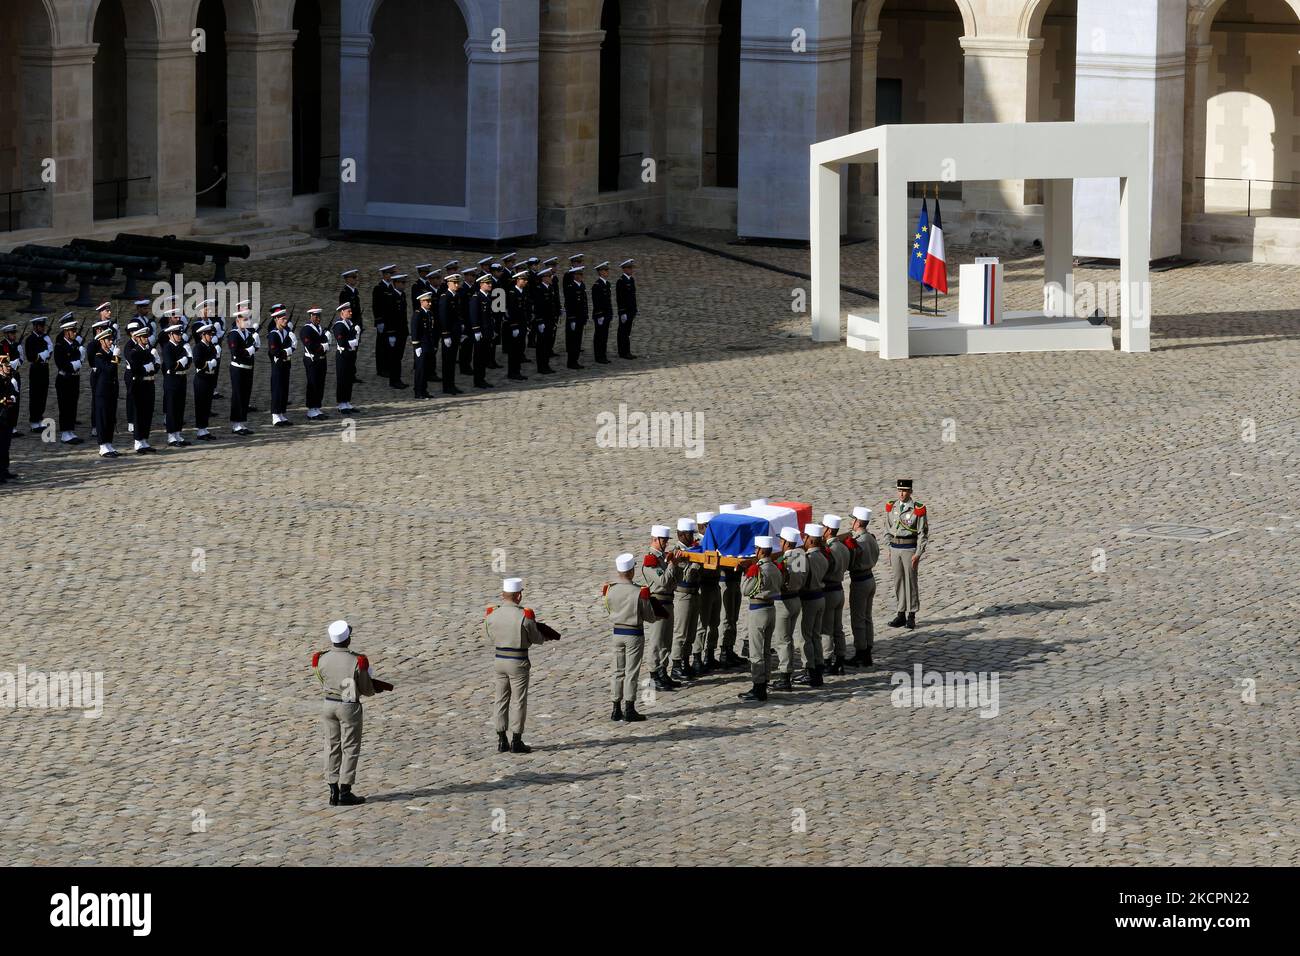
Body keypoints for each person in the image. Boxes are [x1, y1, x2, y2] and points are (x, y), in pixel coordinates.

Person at [312, 620, 393, 806]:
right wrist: (374, 688)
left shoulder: (321, 658)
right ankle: (345, 791)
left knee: (331, 746)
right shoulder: (357, 660)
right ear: (347, 639)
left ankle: (332, 789)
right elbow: (366, 688)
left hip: (328, 704)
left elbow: (321, 678)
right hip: (348, 704)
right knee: (350, 747)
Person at [485, 578, 559, 754]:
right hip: (518, 661)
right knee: (518, 701)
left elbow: (489, 635)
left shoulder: (491, 614)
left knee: (500, 699)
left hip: (499, 659)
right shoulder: (524, 615)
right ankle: (516, 741)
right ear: (518, 595)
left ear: (503, 595)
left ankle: (502, 740)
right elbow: (535, 638)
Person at [603, 552, 663, 722]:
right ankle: (629, 708)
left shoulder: (610, 589)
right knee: (631, 672)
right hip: (634, 633)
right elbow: (649, 616)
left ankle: (615, 708)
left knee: (617, 670)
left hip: (617, 632)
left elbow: (609, 608)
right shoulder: (639, 591)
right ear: (630, 572)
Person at [637, 525, 683, 691]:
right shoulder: (651, 561)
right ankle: (654, 673)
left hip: (668, 601)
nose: (665, 543)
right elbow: (663, 582)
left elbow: (675, 581)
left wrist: (676, 565)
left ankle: (663, 671)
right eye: (663, 540)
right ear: (655, 539)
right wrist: (671, 565)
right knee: (657, 640)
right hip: (657, 602)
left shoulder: (664, 558)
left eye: (666, 540)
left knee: (667, 640)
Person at [738, 536, 783, 702]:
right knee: (766, 649)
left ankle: (758, 686)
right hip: (771, 608)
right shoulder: (775, 567)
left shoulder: (758, 569)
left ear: (761, 550)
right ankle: (765, 681)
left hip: (758, 610)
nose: (755, 551)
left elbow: (745, 590)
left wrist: (745, 573)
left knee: (756, 651)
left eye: (756, 548)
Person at [884, 479, 929, 630]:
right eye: (899, 490)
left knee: (910, 581)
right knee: (898, 581)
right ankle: (901, 613)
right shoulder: (892, 507)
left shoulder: (917, 509)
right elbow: (887, 529)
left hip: (909, 548)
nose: (901, 494)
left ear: (910, 492)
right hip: (895, 547)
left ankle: (911, 615)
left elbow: (923, 533)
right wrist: (889, 548)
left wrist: (918, 553)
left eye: (904, 491)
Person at [771, 526, 806, 692]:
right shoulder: (802, 556)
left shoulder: (782, 562)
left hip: (783, 602)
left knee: (783, 640)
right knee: (789, 638)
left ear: (785, 542)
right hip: (796, 599)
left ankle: (785, 676)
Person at [845, 506, 879, 666]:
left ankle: (861, 652)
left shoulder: (859, 541)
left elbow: (851, 563)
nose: (852, 522)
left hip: (859, 581)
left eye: (853, 519)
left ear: (858, 522)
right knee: (867, 617)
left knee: (858, 618)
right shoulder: (871, 538)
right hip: (870, 578)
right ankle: (868, 649)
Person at [669, 517, 702, 681]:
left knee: (691, 632)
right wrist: (697, 562)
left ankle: (686, 661)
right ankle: (676, 664)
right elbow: (688, 575)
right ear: (681, 535)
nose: (691, 537)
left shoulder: (692, 550)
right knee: (681, 632)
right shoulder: (677, 552)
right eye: (689, 534)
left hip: (695, 593)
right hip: (683, 593)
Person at [796, 523, 828, 686]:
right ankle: (818, 665)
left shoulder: (804, 558)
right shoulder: (823, 556)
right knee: (816, 635)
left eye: (805, 537)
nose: (803, 540)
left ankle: (809, 669)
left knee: (805, 637)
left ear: (810, 540)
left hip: (808, 599)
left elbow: (798, 580)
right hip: (820, 597)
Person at [820, 515, 851, 674]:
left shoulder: (828, 550)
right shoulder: (844, 547)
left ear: (829, 530)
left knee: (826, 629)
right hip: (839, 589)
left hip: (829, 591)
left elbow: (824, 570)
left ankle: (827, 661)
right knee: (838, 627)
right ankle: (840, 660)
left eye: (823, 527)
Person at [124, 324, 159, 454]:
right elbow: (135, 368)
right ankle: (138, 441)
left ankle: (145, 439)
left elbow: (155, 367)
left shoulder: (147, 350)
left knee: (148, 413)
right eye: (144, 336)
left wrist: (154, 365)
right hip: (140, 385)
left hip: (150, 384)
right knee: (139, 414)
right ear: (138, 338)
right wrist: (147, 368)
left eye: (147, 336)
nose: (146, 338)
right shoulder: (135, 351)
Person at [159, 320, 192, 446]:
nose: (179, 336)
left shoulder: (181, 346)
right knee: (172, 408)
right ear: (170, 335)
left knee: (180, 407)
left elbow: (189, 362)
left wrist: (185, 360)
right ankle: (171, 436)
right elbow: (170, 366)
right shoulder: (168, 347)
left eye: (180, 333)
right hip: (171, 381)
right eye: (176, 334)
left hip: (182, 379)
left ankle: (178, 433)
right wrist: (183, 361)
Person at [52, 318, 84, 445]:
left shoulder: (75, 343)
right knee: (64, 406)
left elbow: (78, 362)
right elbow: (61, 364)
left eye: (75, 330)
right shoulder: (60, 346)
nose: (75, 332)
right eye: (72, 330)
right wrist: (76, 363)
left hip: (74, 378)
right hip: (64, 379)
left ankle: (70, 430)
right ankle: (65, 433)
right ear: (66, 332)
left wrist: (78, 361)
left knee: (73, 405)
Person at [226, 310, 258, 435]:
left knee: (245, 395)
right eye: (244, 320)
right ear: (237, 321)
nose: (247, 322)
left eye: (248, 319)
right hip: (238, 368)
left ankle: (242, 422)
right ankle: (236, 424)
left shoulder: (247, 333)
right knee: (238, 395)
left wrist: (254, 346)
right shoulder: (233, 334)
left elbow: (254, 347)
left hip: (248, 368)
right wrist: (249, 350)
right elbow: (235, 352)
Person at [90, 327, 120, 458]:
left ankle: (109, 443)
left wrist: (114, 357)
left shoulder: (108, 354)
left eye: (111, 338)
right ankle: (102, 446)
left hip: (111, 390)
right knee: (102, 418)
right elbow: (110, 370)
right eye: (108, 339)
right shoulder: (99, 356)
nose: (111, 341)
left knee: (110, 418)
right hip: (102, 392)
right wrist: (115, 357)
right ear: (101, 341)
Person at [23, 316, 53, 434]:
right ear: (35, 327)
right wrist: (43, 355)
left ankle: (40, 417)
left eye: (43, 326)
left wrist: (46, 353)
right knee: (35, 394)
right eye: (40, 326)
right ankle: (34, 421)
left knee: (43, 394)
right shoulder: (30, 339)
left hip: (44, 368)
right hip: (36, 369)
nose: (43, 328)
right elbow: (31, 357)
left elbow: (50, 352)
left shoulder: (45, 338)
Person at [435, 273, 464, 395]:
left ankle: (451, 384)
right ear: (448, 284)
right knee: (448, 361)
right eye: (454, 283)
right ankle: (447, 386)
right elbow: (443, 317)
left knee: (452, 361)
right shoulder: (445, 297)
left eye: (458, 282)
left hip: (455, 332)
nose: (457, 285)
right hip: (449, 334)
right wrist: (445, 334)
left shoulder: (455, 296)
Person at [298, 308, 329, 420]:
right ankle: (311, 409)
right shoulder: (306, 329)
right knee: (313, 383)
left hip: (321, 359)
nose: (318, 318)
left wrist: (326, 342)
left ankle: (317, 406)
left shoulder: (320, 328)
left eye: (319, 316)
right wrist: (323, 346)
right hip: (312, 360)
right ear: (311, 316)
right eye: (316, 316)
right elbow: (309, 345)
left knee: (320, 383)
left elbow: (325, 340)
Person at [191, 322, 219, 441]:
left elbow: (215, 358)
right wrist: (209, 364)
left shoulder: (211, 346)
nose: (210, 336)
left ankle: (204, 428)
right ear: (202, 335)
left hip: (209, 378)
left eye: (211, 334)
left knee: (207, 404)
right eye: (208, 334)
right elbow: (197, 362)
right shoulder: (198, 347)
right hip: (201, 378)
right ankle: (200, 430)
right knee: (201, 404)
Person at [331, 302, 360, 415]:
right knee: (342, 379)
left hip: (350, 354)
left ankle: (347, 401)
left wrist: (356, 333)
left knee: (349, 379)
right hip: (343, 355)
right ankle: (341, 403)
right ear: (342, 312)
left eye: (351, 311)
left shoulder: (349, 323)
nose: (351, 312)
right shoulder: (339, 325)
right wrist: (353, 341)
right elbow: (342, 342)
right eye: (349, 311)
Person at [467, 274, 495, 389]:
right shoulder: (476, 297)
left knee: (483, 357)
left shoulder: (487, 296)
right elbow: (473, 315)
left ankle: (482, 378)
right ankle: (478, 380)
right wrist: (476, 330)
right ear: (481, 284)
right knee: (478, 357)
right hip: (480, 332)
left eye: (490, 283)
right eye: (487, 283)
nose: (490, 285)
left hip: (487, 331)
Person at [372, 264, 398, 380]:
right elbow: (376, 306)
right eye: (388, 274)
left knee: (388, 346)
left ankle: (387, 366)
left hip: (391, 322)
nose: (390, 276)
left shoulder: (392, 288)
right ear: (384, 275)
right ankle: (381, 368)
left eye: (391, 274)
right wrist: (379, 321)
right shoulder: (379, 288)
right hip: (383, 322)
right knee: (381, 346)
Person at [338, 268, 364, 382]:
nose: (355, 279)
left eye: (356, 277)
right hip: (349, 325)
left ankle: (352, 374)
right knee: (348, 351)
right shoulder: (344, 293)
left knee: (354, 351)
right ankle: (347, 373)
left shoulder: (354, 292)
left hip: (356, 324)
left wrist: (359, 325)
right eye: (353, 277)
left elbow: (357, 311)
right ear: (347, 279)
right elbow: (344, 312)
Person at [504, 270, 530, 381]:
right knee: (514, 351)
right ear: (517, 280)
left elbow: (525, 310)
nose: (525, 281)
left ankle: (517, 371)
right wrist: (514, 326)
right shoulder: (512, 293)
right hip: (515, 326)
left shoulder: (523, 292)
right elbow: (511, 311)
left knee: (520, 349)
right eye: (523, 279)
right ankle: (512, 372)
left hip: (522, 325)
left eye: (526, 279)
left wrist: (526, 324)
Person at [410, 290, 436, 399]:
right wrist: (416, 346)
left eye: (430, 301)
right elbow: (415, 330)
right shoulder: (418, 314)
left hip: (428, 345)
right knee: (420, 370)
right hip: (421, 346)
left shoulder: (429, 313)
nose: (430, 303)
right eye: (427, 301)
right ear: (421, 302)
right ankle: (418, 391)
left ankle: (424, 390)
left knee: (426, 369)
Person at [563, 264, 588, 370]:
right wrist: (571, 318)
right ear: (574, 276)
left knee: (578, 340)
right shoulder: (571, 287)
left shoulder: (581, 285)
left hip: (581, 317)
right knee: (573, 341)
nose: (581, 276)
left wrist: (585, 315)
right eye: (579, 274)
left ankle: (575, 360)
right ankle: (571, 362)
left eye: (582, 274)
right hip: (573, 318)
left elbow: (584, 303)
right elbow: (569, 304)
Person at [387, 273, 410, 389]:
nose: (404, 285)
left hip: (402, 331)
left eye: (404, 282)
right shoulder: (391, 297)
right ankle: (394, 380)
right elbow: (389, 316)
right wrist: (391, 333)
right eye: (402, 282)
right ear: (395, 283)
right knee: (394, 357)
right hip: (395, 332)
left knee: (399, 356)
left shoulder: (402, 295)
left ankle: (397, 378)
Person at [531, 268, 556, 375]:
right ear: (544, 278)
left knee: (548, 344)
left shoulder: (550, 288)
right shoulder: (539, 289)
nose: (551, 278)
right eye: (549, 276)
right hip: (542, 321)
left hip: (550, 320)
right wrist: (540, 321)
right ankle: (541, 367)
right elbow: (538, 307)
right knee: (542, 345)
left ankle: (546, 365)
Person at [615, 258, 638, 359]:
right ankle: (623, 352)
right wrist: (622, 312)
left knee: (627, 332)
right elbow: (620, 298)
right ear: (624, 269)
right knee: (623, 332)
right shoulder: (621, 281)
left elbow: (633, 296)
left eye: (631, 268)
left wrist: (635, 309)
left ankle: (627, 351)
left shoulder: (631, 280)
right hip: (625, 311)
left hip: (631, 310)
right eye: (629, 268)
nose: (631, 270)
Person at [0, 353, 17, 481]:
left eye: (9, 365)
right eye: (6, 365)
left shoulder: (8, 380)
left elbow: (13, 394)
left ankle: (4, 470)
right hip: (0, 418)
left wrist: (10, 399)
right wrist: (5, 400)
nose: (9, 367)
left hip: (8, 418)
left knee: (6, 446)